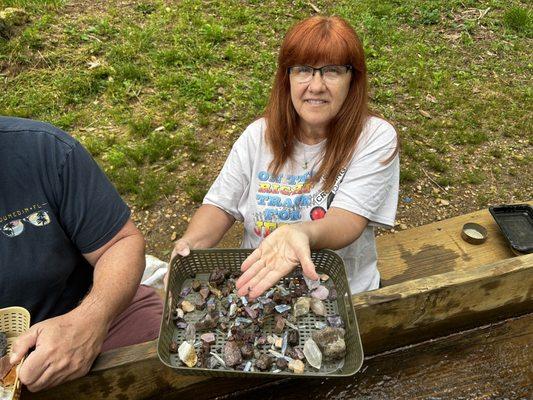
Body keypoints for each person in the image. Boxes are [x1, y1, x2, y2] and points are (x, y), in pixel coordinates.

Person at [172, 16, 399, 299]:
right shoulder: (258, 136)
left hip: (342, 295)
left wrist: (301, 233)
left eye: (332, 71)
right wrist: (189, 244)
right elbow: (220, 205)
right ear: (287, 78)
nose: (316, 86)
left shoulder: (374, 137)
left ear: (352, 79)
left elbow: (348, 221)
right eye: (303, 70)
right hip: (260, 290)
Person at [0, 116, 163, 392]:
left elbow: (120, 243)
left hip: (84, 315)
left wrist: (90, 319)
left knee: (169, 352)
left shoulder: (45, 151)